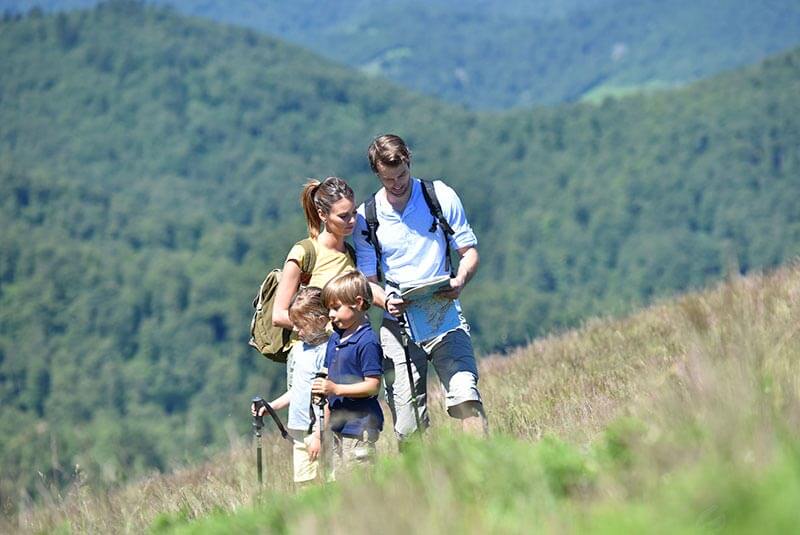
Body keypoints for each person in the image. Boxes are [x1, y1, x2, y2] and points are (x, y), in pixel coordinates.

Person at [352, 133, 487, 444]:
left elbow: (469, 252)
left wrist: (460, 281)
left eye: (402, 175)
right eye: (389, 179)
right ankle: (421, 487)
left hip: (444, 315)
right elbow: (368, 282)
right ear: (377, 174)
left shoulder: (437, 195)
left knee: (467, 397)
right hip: (398, 324)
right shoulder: (366, 217)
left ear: (409, 162)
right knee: (408, 424)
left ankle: (484, 471)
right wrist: (386, 302)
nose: (397, 184)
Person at [273, 176, 357, 388]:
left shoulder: (352, 255)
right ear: (323, 215)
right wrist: (324, 328)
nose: (352, 221)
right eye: (344, 216)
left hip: (344, 355)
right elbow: (279, 315)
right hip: (308, 356)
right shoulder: (304, 253)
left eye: (354, 213)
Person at [252, 286, 329, 485]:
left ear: (321, 321)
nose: (295, 329)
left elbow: (327, 396)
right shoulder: (297, 351)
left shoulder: (328, 350)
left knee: (328, 480)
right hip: (300, 431)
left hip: (321, 429)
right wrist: (271, 407)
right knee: (305, 485)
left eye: (301, 325)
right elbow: (296, 390)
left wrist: (319, 435)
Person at [311, 271, 384, 476]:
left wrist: (336, 389)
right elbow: (328, 375)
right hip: (338, 426)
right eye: (329, 309)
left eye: (336, 308)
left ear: (358, 303)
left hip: (360, 426)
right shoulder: (335, 339)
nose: (331, 315)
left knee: (360, 480)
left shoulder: (367, 341)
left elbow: (373, 385)